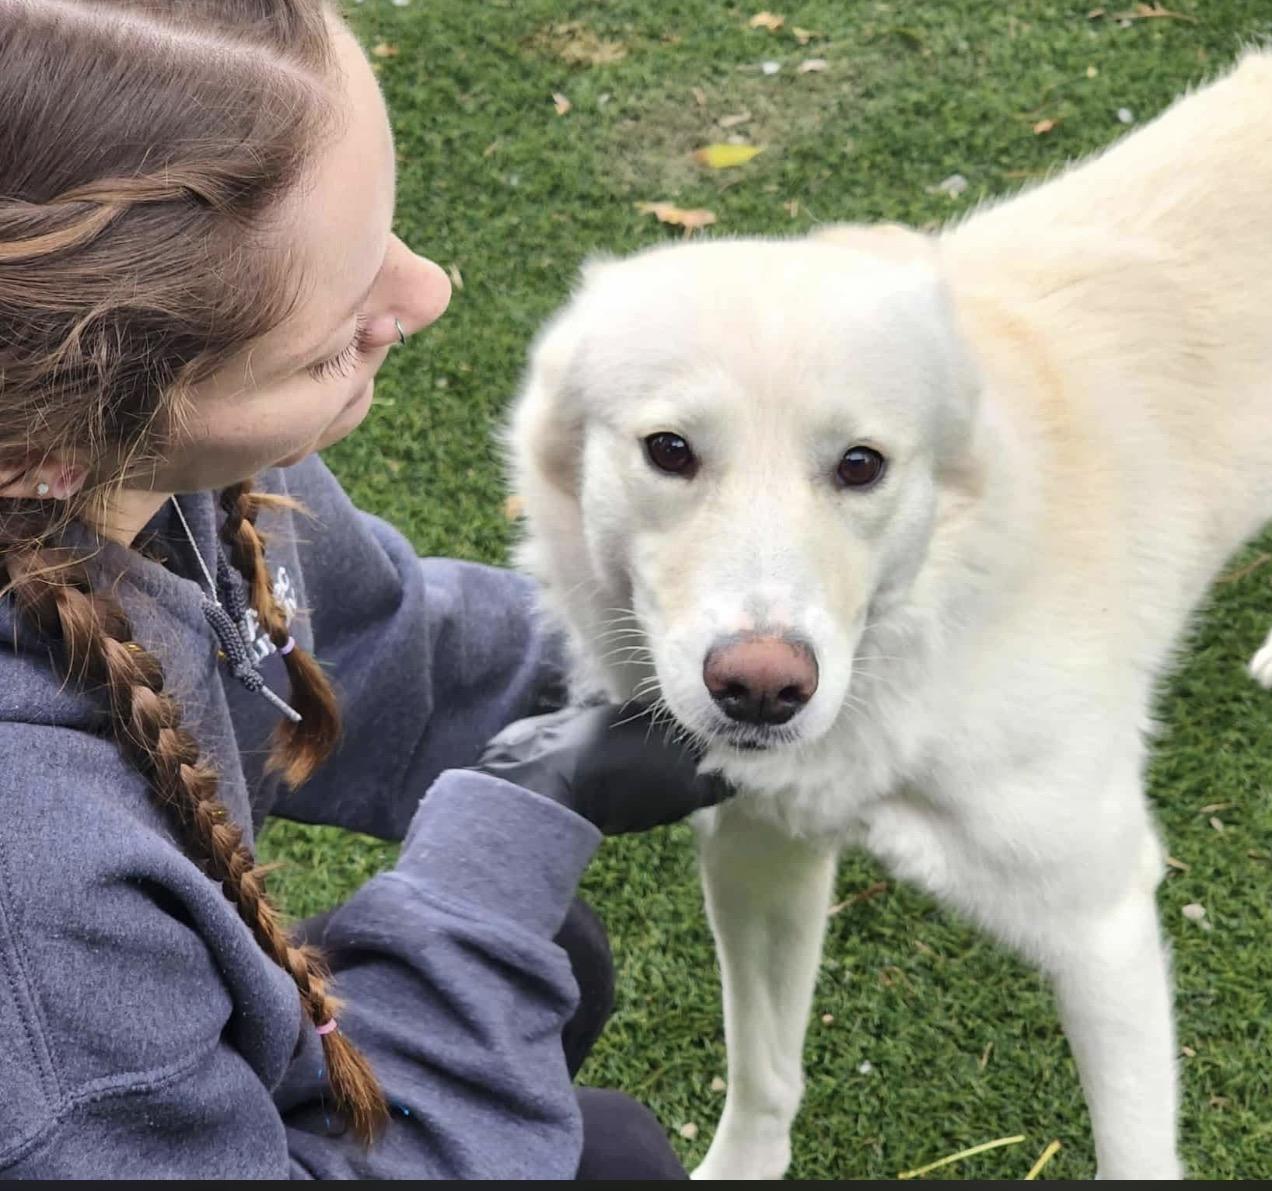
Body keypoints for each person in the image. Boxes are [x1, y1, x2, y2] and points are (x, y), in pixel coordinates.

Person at [0, 0, 730, 1178]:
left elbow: (379, 646)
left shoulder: (146, 454)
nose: (429, 292)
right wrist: (504, 841)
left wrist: (677, 646)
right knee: (618, 1158)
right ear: (43, 447)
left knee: (563, 963)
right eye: (335, 337)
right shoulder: (32, 907)